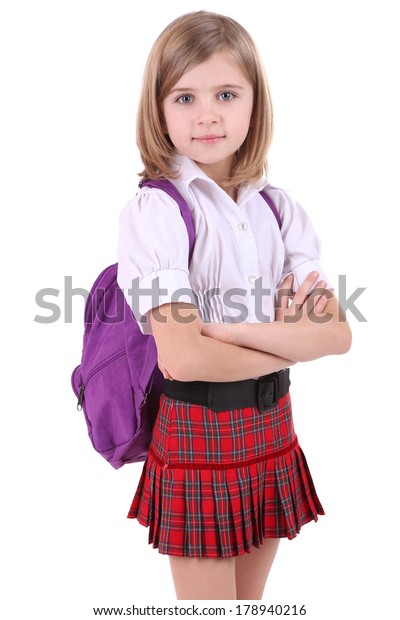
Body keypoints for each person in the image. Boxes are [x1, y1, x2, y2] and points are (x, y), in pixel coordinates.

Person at [117, 10, 351, 601]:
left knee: (250, 606)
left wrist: (229, 331)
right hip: (200, 426)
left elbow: (337, 334)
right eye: (185, 97)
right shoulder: (157, 213)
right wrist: (284, 339)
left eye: (226, 93)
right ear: (159, 109)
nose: (208, 114)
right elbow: (185, 360)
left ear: (254, 103)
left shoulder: (279, 209)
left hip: (274, 425)